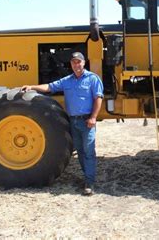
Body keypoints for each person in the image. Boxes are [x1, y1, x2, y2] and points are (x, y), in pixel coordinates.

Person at [21, 52, 103, 196]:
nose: (76, 65)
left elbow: (98, 98)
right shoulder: (67, 80)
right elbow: (49, 87)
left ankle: (90, 182)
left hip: (87, 121)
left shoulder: (93, 79)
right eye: (73, 62)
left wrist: (93, 117)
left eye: (79, 62)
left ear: (84, 63)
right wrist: (32, 87)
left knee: (89, 151)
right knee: (81, 151)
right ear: (71, 64)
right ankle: (87, 176)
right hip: (73, 121)